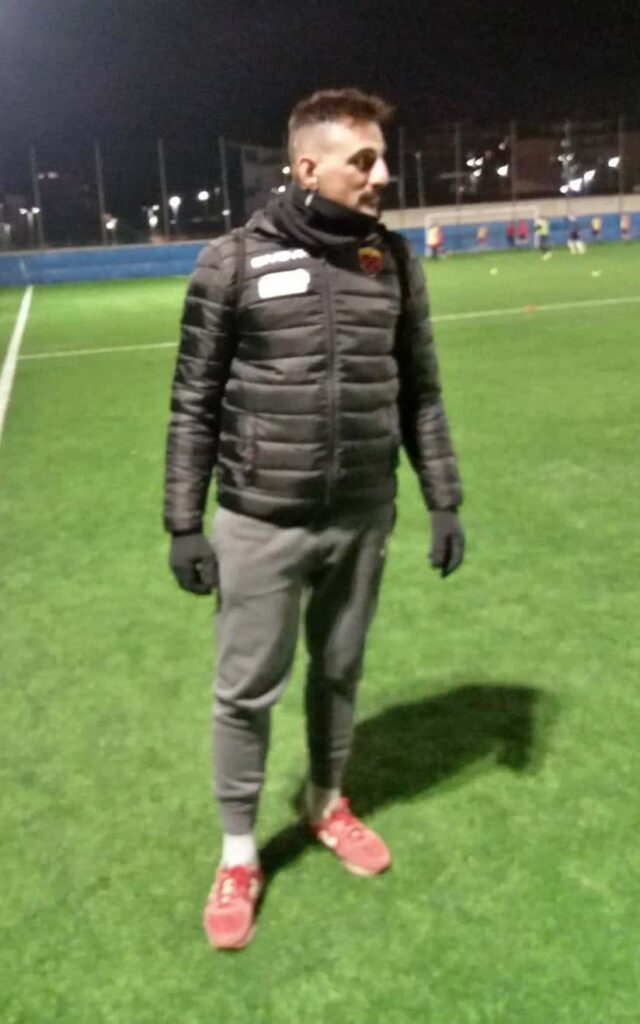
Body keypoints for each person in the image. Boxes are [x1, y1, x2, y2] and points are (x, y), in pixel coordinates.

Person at [163, 88, 464, 951]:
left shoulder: (392, 261)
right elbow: (193, 401)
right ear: (307, 167)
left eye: (381, 157)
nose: (382, 174)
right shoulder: (231, 263)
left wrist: (443, 497)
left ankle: (325, 802)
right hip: (260, 520)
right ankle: (238, 853)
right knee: (245, 692)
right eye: (362, 160)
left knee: (339, 671)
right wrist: (184, 521)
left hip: (363, 515)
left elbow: (421, 392)